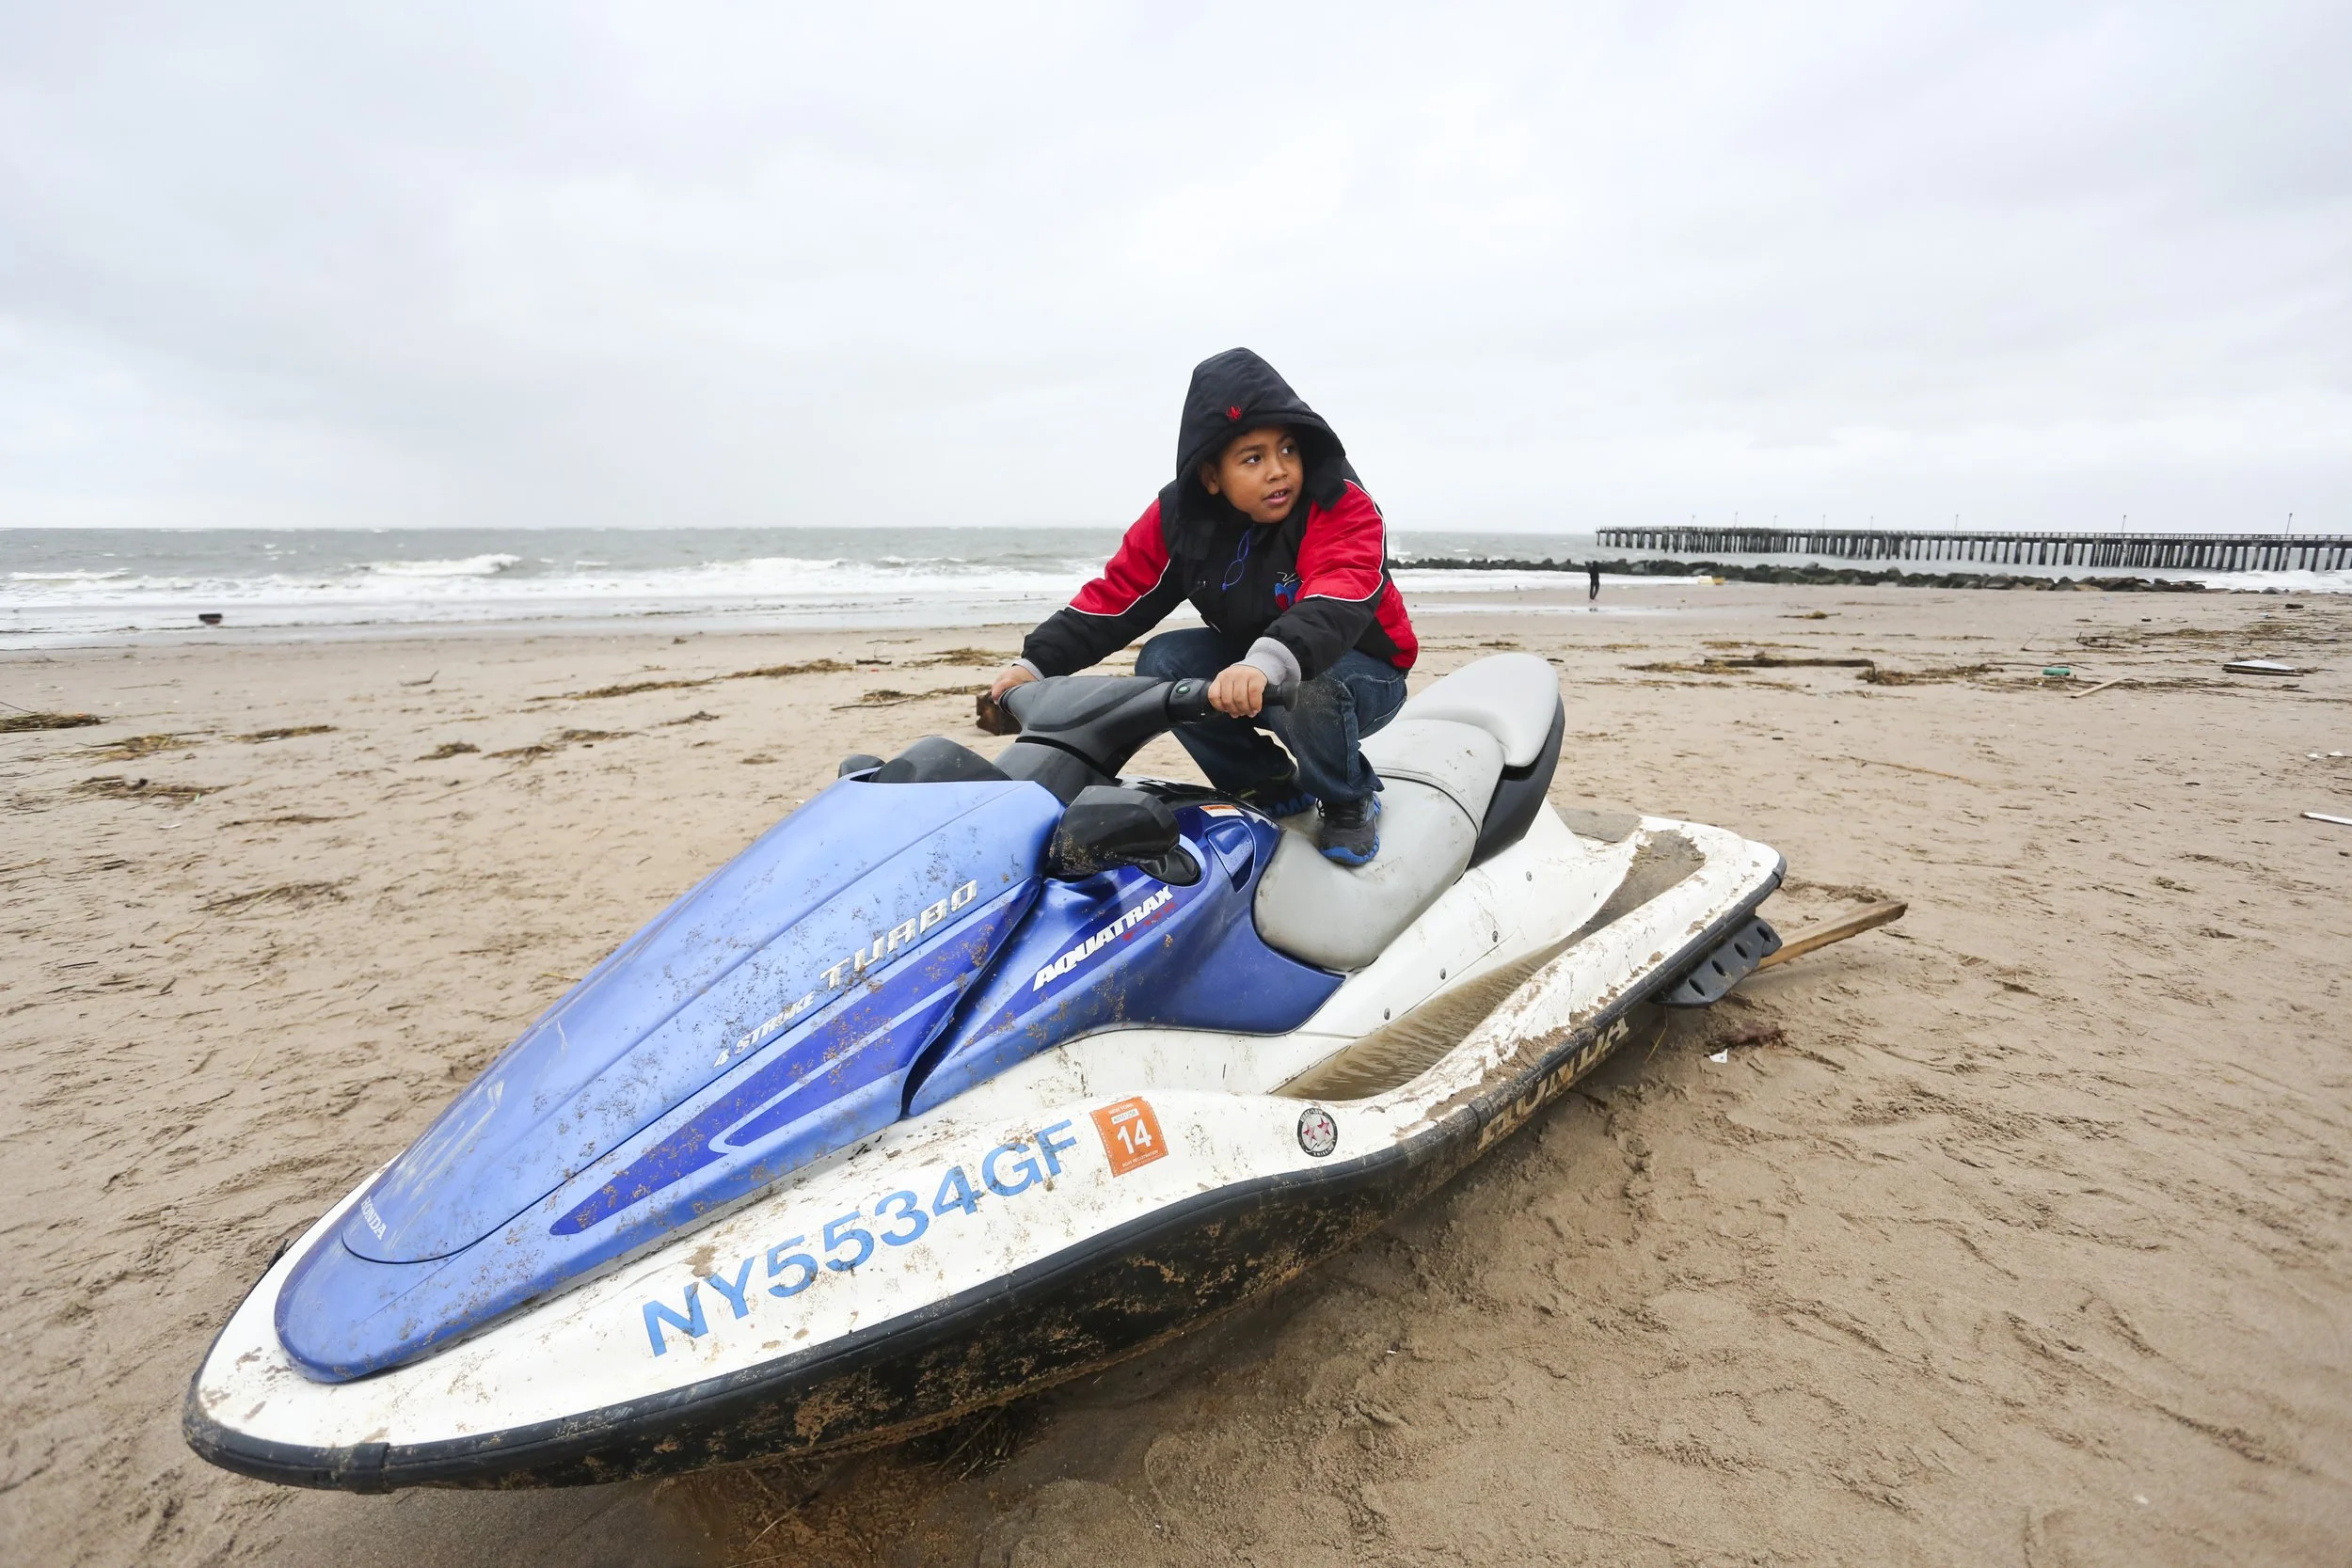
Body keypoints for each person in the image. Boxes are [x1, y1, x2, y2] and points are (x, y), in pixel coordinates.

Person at [990, 349, 1417, 865]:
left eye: (1287, 450)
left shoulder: (1338, 500)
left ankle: (1348, 799)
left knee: (1313, 686)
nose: (1278, 471)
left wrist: (1267, 662)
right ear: (1212, 476)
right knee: (1163, 662)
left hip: (1362, 669)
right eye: (1253, 458)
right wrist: (1034, 664)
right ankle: (1266, 783)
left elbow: (1338, 592)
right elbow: (1118, 595)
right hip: (1250, 663)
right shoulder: (1182, 516)